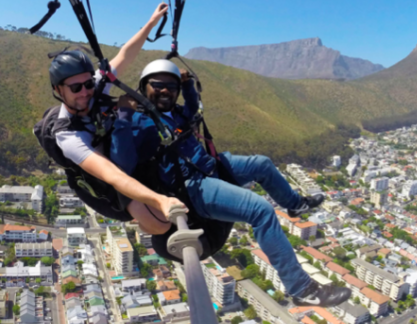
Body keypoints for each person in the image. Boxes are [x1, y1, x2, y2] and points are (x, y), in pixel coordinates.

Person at [110, 60, 352, 307]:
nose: (165, 91)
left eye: (171, 86)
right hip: (192, 186)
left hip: (209, 165)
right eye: (158, 85)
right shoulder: (138, 122)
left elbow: (193, 111)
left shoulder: (177, 111)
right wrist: (124, 115)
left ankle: (295, 204)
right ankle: (300, 288)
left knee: (262, 164)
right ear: (143, 87)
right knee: (261, 211)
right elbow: (122, 162)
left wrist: (188, 85)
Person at [49, 3, 188, 234]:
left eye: (88, 84)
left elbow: (125, 54)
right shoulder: (68, 136)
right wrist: (158, 200)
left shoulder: (94, 89)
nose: (85, 92)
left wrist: (151, 23)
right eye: (75, 88)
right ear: (58, 89)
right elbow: (113, 175)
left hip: (119, 151)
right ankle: (141, 219)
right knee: (160, 226)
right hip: (103, 177)